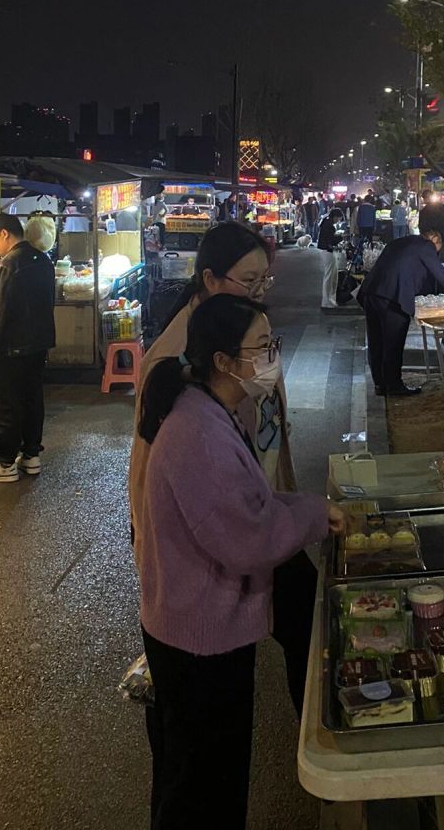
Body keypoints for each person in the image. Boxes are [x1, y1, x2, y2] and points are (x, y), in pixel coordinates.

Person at [136, 294, 342, 829]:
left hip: (201, 626)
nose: (273, 356)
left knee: (205, 774)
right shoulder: (198, 433)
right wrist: (316, 517)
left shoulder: (217, 410)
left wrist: (314, 509)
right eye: (263, 347)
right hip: (198, 638)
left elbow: (255, 504)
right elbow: (248, 538)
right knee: (203, 785)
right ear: (225, 363)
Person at [129, 223, 313, 714]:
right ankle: (321, 740)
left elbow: (270, 429)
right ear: (209, 279)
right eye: (247, 282)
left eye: (263, 282)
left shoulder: (241, 330)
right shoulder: (177, 364)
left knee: (305, 625)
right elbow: (148, 469)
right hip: (226, 541)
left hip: (259, 509)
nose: (257, 294)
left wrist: (287, 501)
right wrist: (150, 557)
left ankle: (318, 732)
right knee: (206, 711)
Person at [0, 213, 56, 483]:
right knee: (32, 400)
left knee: (6, 404)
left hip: (11, 347)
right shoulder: (43, 260)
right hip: (38, 344)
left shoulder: (9, 264)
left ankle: (5, 463)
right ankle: (31, 456)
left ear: (5, 234)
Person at [358, 231, 444, 396]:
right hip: (393, 298)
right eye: (438, 250)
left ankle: (380, 384)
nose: (436, 253)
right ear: (435, 240)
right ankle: (394, 385)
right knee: (393, 344)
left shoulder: (400, 242)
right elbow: (440, 272)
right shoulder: (426, 246)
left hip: (371, 292)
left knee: (376, 342)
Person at [317, 209, 345, 309]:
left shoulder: (326, 222)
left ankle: (330, 299)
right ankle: (326, 301)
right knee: (329, 276)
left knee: (332, 275)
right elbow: (331, 241)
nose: (338, 221)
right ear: (335, 216)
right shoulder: (329, 226)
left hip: (324, 250)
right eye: (338, 218)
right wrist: (341, 237)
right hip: (327, 251)